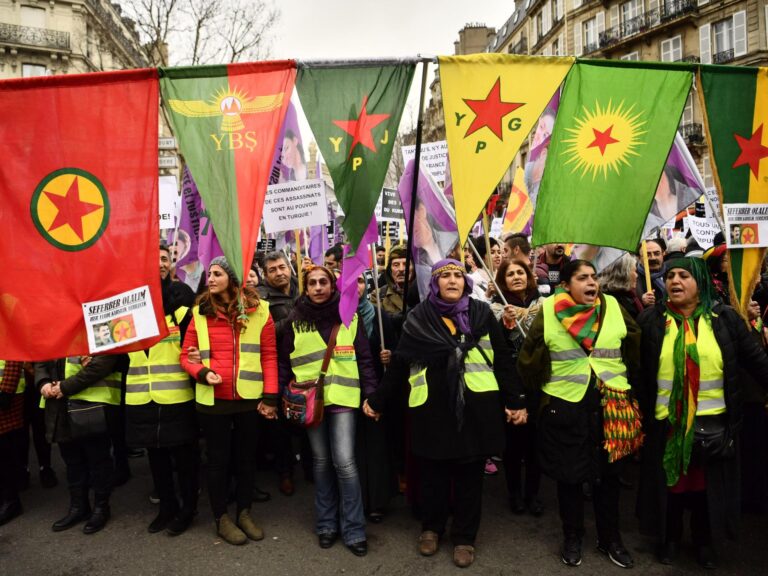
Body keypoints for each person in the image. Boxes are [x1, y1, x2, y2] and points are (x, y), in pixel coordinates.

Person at [366, 259, 527, 568]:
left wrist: (516, 400)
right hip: (432, 410)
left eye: (457, 275)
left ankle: (465, 537)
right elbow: (400, 364)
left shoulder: (482, 314)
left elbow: (503, 359)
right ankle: (431, 528)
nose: (452, 280)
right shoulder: (418, 318)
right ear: (434, 283)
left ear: (465, 282)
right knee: (433, 475)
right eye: (445, 276)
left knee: (470, 478)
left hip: (476, 408)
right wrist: (378, 400)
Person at [636, 257, 768, 569]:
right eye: (670, 276)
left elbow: (755, 360)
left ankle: (704, 541)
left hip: (714, 424)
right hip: (667, 425)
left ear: (701, 282)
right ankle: (669, 538)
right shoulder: (652, 321)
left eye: (683, 275)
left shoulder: (724, 319)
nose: (674, 282)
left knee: (704, 488)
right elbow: (638, 370)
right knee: (672, 485)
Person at [518, 259, 641, 569]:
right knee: (570, 477)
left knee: (609, 477)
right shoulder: (547, 311)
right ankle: (572, 536)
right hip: (564, 406)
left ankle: (610, 538)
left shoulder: (613, 306)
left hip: (610, 404)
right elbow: (529, 359)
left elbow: (634, 346)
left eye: (594, 277)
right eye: (583, 278)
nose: (591, 283)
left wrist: (624, 383)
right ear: (566, 285)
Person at [279, 265, 377, 556]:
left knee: (345, 464)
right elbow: (284, 364)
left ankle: (354, 529)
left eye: (324, 282)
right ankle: (326, 526)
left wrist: (372, 395)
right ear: (305, 288)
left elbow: (365, 360)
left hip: (344, 399)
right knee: (321, 463)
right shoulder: (293, 322)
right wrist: (276, 398)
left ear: (333, 286)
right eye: (312, 283)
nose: (319, 287)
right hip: (310, 403)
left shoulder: (350, 317)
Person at [180, 256, 278, 546]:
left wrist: (270, 396)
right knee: (218, 462)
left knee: (247, 460)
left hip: (249, 399)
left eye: (217, 273)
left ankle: (244, 513)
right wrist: (201, 372)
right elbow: (186, 354)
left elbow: (269, 356)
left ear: (232, 279)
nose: (209, 278)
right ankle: (221, 518)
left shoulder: (261, 311)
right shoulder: (199, 313)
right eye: (209, 274)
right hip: (213, 402)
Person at [124, 244, 198, 536]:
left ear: (172, 264)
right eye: (153, 258)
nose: (159, 264)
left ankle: (188, 509)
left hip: (177, 394)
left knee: (185, 458)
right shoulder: (129, 303)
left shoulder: (182, 304)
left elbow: (198, 342)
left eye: (165, 259)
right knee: (156, 458)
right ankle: (166, 507)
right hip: (142, 394)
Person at [36, 354, 125, 534]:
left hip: (91, 402)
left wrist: (65, 386)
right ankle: (78, 507)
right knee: (72, 461)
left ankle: (101, 508)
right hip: (59, 403)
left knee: (98, 460)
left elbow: (103, 363)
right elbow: (41, 356)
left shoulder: (97, 325)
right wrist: (43, 383)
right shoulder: (52, 327)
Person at [492, 258, 545, 516]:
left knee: (535, 443)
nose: (516, 277)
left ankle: (533, 494)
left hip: (538, 380)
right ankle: (514, 493)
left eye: (520, 272)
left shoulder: (544, 305)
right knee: (513, 444)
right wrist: (505, 324)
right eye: (510, 273)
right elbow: (496, 349)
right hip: (511, 381)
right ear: (502, 280)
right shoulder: (495, 308)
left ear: (528, 275)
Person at [257, 250, 302, 496]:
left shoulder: (302, 288)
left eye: (282, 267)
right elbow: (264, 333)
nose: (279, 273)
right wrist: (294, 317)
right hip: (279, 368)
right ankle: (285, 472)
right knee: (281, 425)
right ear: (265, 274)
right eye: (273, 270)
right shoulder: (261, 298)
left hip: (306, 365)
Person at [354, 274, 397, 523]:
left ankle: (378, 501)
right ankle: (357, 498)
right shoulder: (338, 315)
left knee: (377, 446)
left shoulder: (381, 318)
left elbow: (397, 351)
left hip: (376, 391)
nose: (356, 286)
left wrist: (389, 356)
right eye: (351, 281)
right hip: (348, 390)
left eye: (361, 281)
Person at [0, 360, 25, 525]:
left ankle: (11, 502)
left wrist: (5, 393)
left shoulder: (6, 334)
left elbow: (13, 361)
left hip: (5, 398)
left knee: (4, 455)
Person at [598, 253, 644, 319]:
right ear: (624, 274)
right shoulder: (612, 302)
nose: (637, 275)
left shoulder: (628, 295)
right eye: (635, 271)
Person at [637, 238, 666, 307]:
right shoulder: (633, 279)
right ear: (639, 257)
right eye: (647, 254)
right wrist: (641, 301)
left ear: (663, 254)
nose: (653, 258)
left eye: (657, 253)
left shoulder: (672, 273)